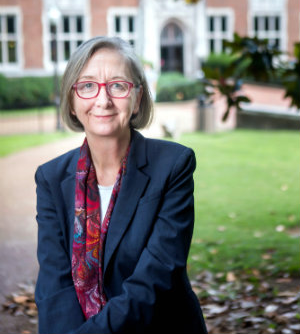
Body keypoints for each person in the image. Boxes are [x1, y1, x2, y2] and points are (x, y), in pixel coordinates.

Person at [35, 36, 208, 334]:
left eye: (118, 85)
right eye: (87, 86)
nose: (103, 100)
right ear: (73, 102)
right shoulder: (51, 179)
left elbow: (153, 282)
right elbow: (55, 286)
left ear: (137, 98)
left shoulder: (173, 165)